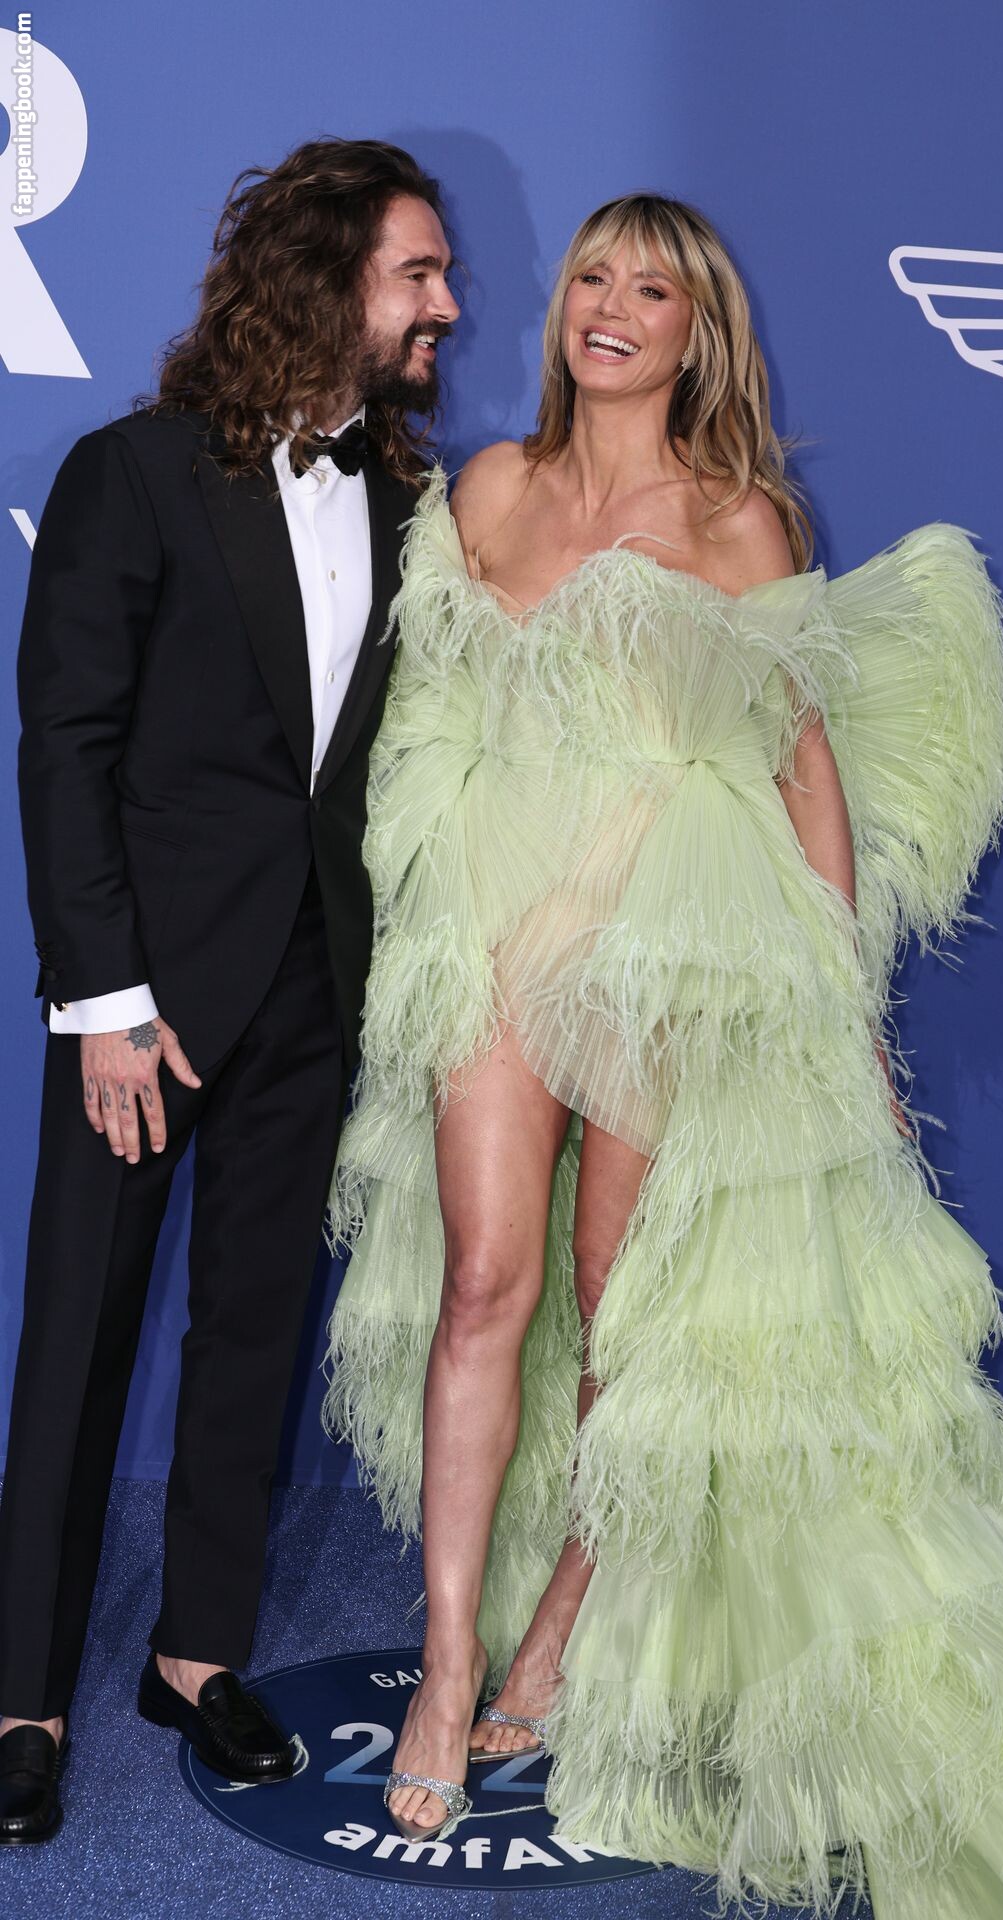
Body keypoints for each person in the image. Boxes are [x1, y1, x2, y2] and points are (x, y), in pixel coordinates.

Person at [325, 194, 1003, 1912]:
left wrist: (840, 1002)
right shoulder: (490, 492)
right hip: (498, 926)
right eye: (592, 278)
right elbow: (431, 719)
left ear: (698, 334)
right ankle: (449, 1664)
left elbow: (804, 761)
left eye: (653, 290)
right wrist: (443, 901)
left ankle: (555, 1637)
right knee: (483, 1282)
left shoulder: (741, 518)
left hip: (673, 940)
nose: (612, 308)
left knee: (625, 1311)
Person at [0, 137, 459, 1846]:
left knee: (253, 1328)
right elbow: (68, 746)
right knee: (79, 1341)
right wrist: (103, 1001)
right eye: (419, 273)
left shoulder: (411, 500)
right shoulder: (132, 474)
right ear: (329, 280)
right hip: (147, 1000)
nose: (447, 305)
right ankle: (22, 1697)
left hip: (316, 987)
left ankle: (194, 1657)